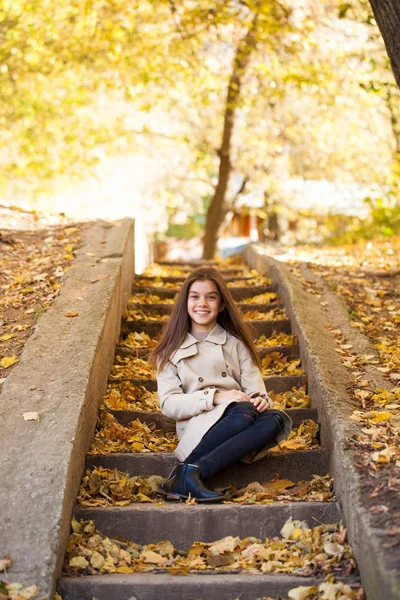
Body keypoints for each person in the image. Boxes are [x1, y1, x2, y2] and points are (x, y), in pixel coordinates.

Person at [149, 267, 292, 502]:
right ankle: (192, 472)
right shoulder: (171, 351)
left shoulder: (236, 345)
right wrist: (214, 397)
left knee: (276, 418)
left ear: (222, 304)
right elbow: (169, 404)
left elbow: (256, 389)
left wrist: (260, 399)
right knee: (244, 410)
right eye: (195, 296)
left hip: (241, 417)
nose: (202, 303)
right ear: (185, 302)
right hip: (199, 427)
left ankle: (190, 472)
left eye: (211, 297)